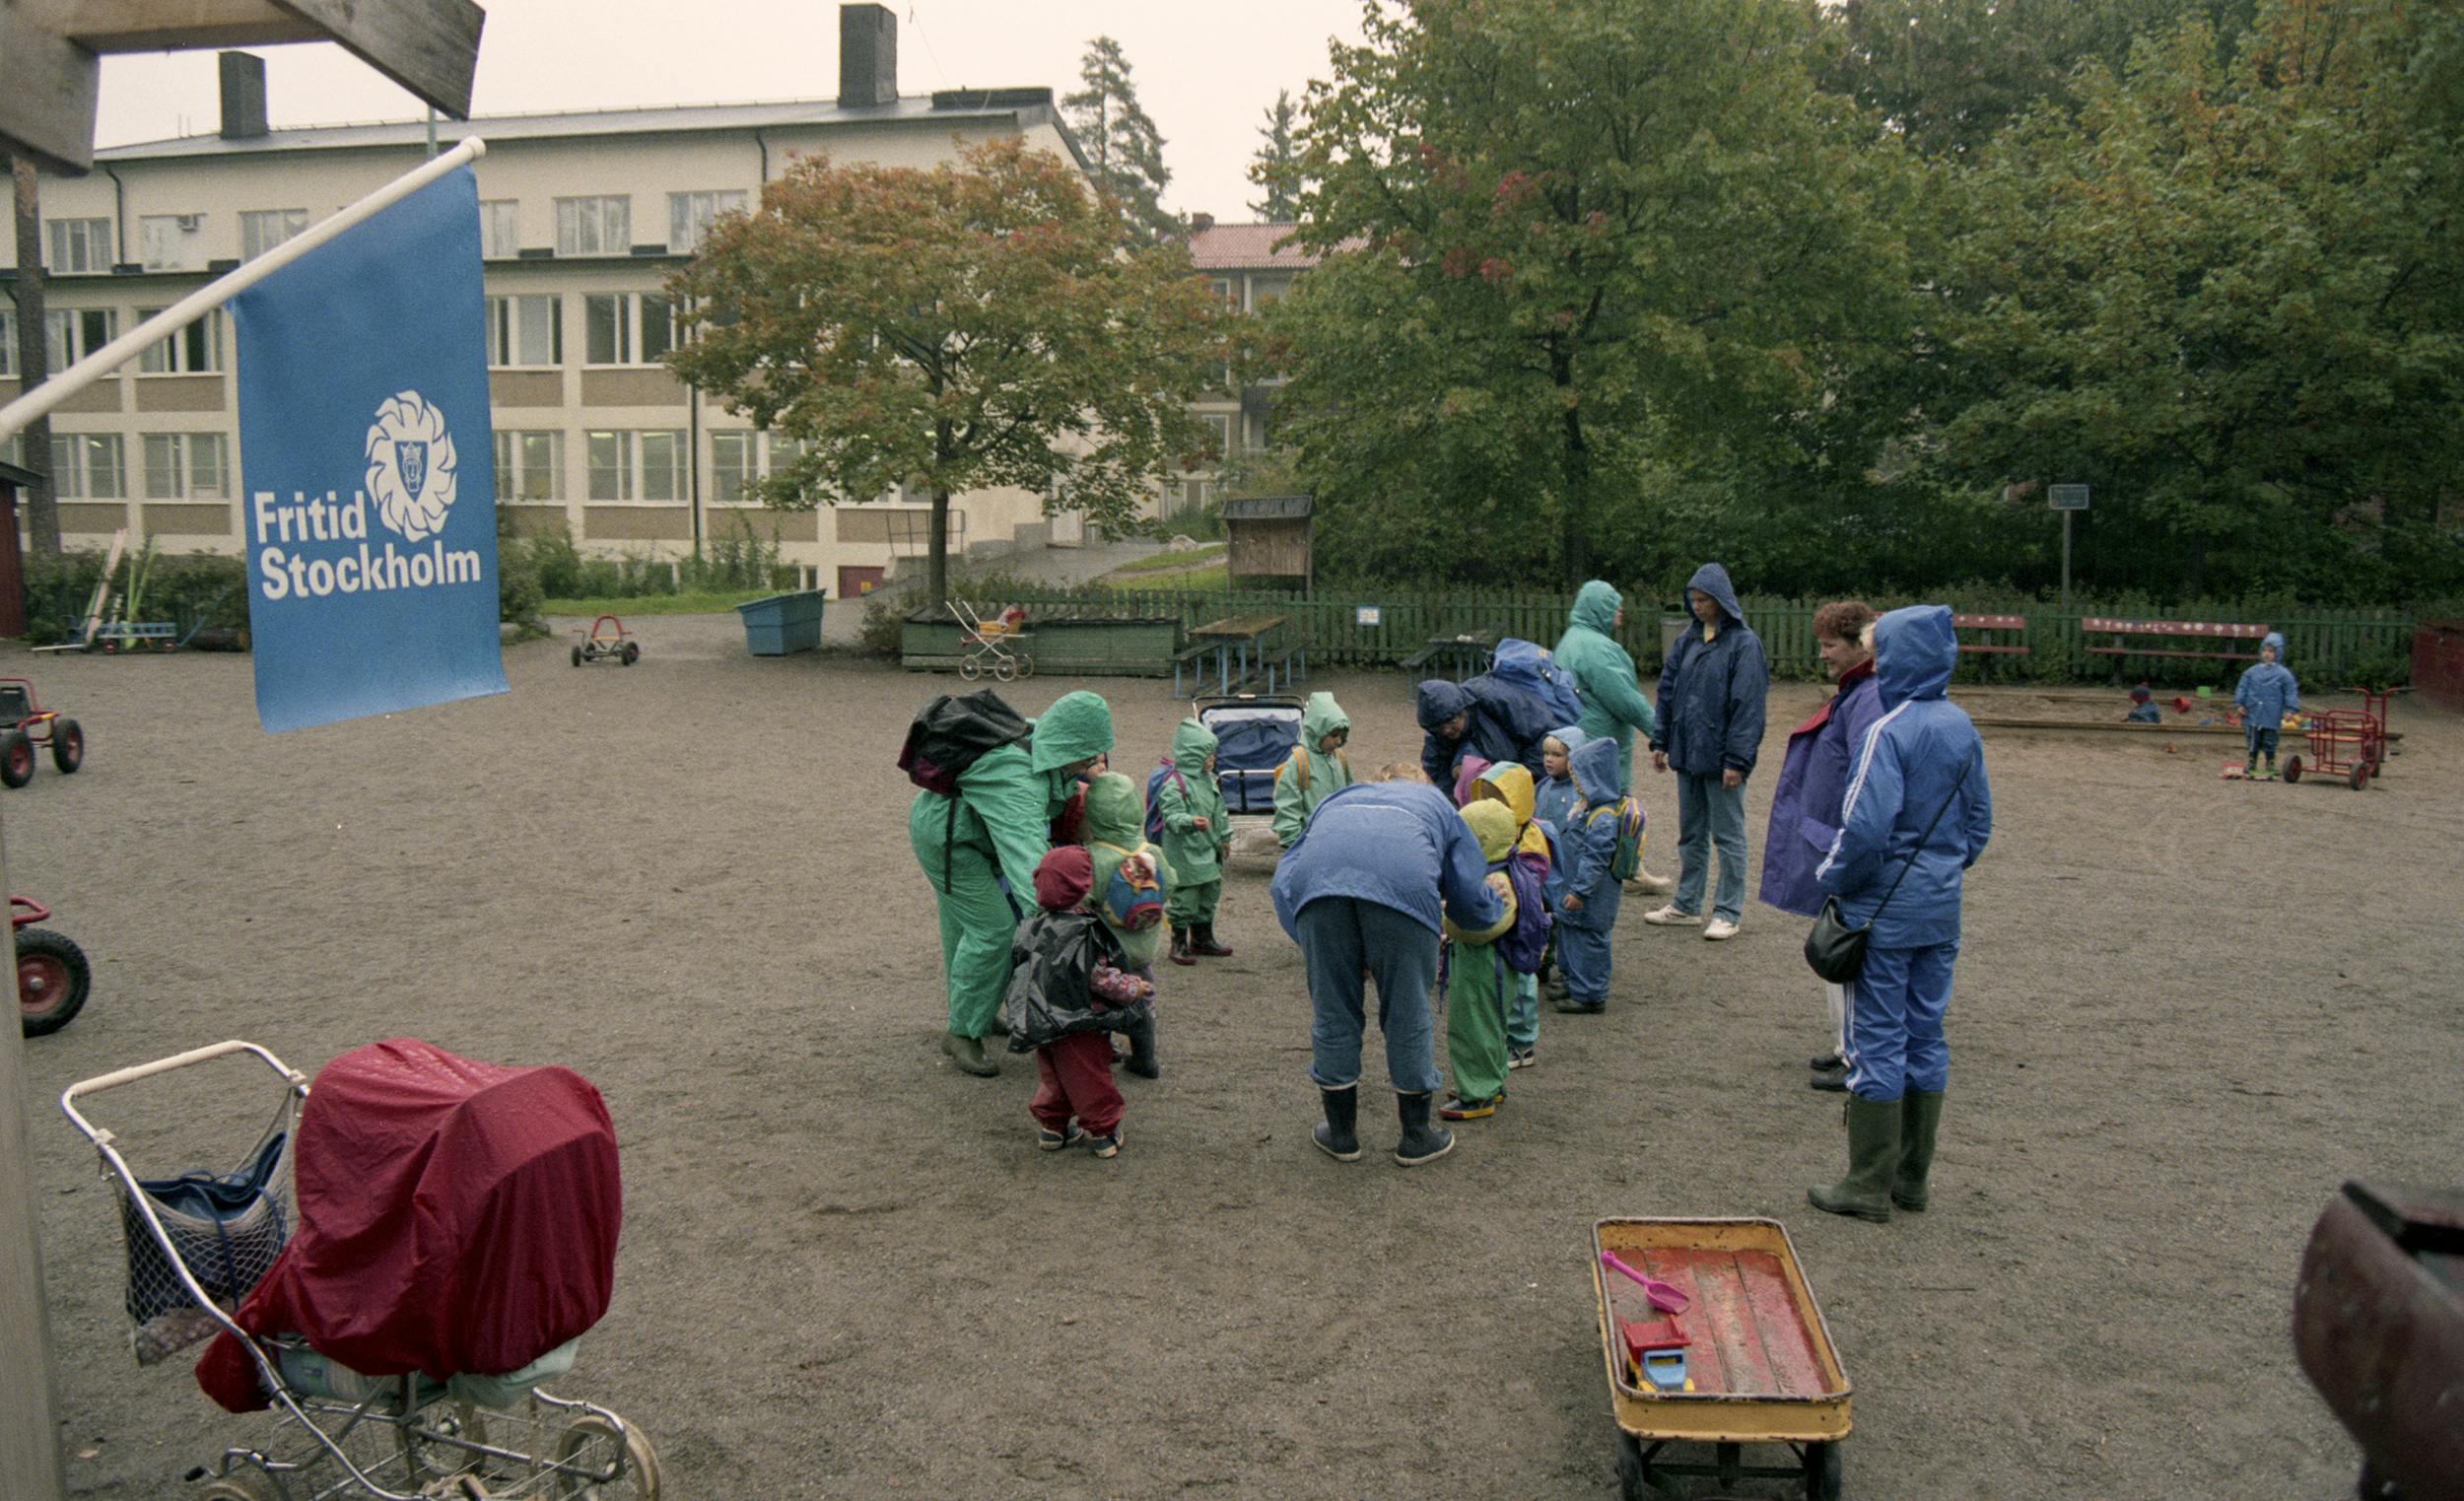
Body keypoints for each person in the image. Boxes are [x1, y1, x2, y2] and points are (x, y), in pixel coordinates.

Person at [1807, 605, 1993, 1224]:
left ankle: (1867, 1184)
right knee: (1925, 1033)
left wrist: (1832, 878)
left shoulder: (1889, 730)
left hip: (1883, 910)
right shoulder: (1962, 726)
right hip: (1940, 909)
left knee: (1875, 1039)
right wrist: (1938, 871)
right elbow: (1978, 826)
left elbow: (1863, 829)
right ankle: (1911, 1182)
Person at [1269, 779, 1506, 1167]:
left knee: (1333, 1011)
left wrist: (1314, 943)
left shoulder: (1337, 797)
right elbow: (1465, 888)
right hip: (1403, 890)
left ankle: (1342, 1135)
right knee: (1407, 1010)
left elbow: (1284, 882)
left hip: (1319, 888)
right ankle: (1416, 1136)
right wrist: (1491, 914)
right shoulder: (1436, 803)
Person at [909, 689, 1114, 1078]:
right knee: (994, 931)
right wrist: (1068, 918)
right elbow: (1030, 867)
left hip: (964, 834)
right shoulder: (1016, 780)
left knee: (966, 927)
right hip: (951, 843)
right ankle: (962, 1032)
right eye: (1087, 754)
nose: (1092, 763)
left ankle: (977, 1012)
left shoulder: (1041, 740)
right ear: (1069, 743)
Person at [1757, 600, 1883, 1092]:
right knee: (1837, 947)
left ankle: (1859, 1055)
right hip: (1832, 838)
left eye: (1831, 645)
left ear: (1860, 646)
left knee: (1844, 949)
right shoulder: (1858, 693)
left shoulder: (1868, 698)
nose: (1823, 655)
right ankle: (1847, 1046)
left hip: (1842, 842)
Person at [1644, 563, 1769, 941]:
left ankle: (1728, 911)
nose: (1697, 606)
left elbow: (1748, 707)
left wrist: (1737, 760)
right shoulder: (1686, 641)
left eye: (1704, 600)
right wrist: (1660, 740)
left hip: (1722, 758)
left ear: (1721, 600)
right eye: (1694, 600)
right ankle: (1686, 905)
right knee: (1691, 833)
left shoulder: (1745, 645)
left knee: (1728, 837)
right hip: (1687, 753)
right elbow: (1666, 693)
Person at [1003, 847, 1151, 1159]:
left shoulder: (1031, 927)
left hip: (1042, 1018)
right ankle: (1104, 1133)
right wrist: (1133, 987)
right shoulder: (1084, 931)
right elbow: (1099, 978)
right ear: (1081, 885)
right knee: (1089, 1077)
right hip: (1080, 1021)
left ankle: (1053, 1128)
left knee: (1054, 1076)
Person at [1551, 580, 1674, 894]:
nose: (1619, 611)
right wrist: (1662, 733)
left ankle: (1627, 869)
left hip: (1578, 735)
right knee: (1613, 803)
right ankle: (1626, 870)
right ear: (1599, 608)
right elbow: (1625, 699)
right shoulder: (1598, 648)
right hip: (1600, 739)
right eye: (1613, 605)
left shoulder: (1570, 640)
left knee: (1588, 804)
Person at [1439, 799, 1523, 1121]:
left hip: (1482, 966)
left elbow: (1482, 928)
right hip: (1489, 967)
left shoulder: (1494, 881)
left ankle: (1478, 1093)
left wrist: (1448, 919)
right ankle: (1492, 1080)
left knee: (1472, 1027)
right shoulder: (1502, 871)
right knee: (1490, 1025)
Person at [1081, 771, 1167, 1079]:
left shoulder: (1092, 856)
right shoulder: (1151, 852)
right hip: (1143, 948)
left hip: (1107, 951)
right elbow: (1171, 882)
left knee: (1102, 1001)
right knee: (1144, 998)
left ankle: (1104, 1052)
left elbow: (1084, 898)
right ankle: (1145, 1058)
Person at [1470, 761, 1551, 1070]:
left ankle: (1521, 1044)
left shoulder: (1530, 835)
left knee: (1521, 982)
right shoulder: (1492, 828)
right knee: (1500, 983)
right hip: (1499, 911)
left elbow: (1534, 874)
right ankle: (1507, 1037)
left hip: (1522, 918)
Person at [1552, 735, 1627, 1013]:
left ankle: (1591, 994)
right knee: (1574, 934)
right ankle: (1575, 984)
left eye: (1579, 777)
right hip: (1577, 890)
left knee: (1591, 940)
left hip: (1590, 894)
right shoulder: (1590, 809)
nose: (1576, 783)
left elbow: (1595, 859)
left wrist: (1580, 891)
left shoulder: (1603, 817)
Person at [1156, 718, 1235, 965]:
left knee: (1209, 893)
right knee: (1185, 897)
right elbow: (1170, 815)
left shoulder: (1207, 779)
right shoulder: (1175, 784)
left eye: (1212, 754)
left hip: (1209, 849)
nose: (1212, 759)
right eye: (1206, 754)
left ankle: (1202, 938)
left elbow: (1220, 811)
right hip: (1185, 852)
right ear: (1192, 756)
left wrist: (1224, 837)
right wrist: (1190, 821)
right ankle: (1178, 942)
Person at [1414, 677, 1553, 787]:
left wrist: (1524, 775)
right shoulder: (1435, 732)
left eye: (1451, 722)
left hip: (1525, 771)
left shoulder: (1495, 698)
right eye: (1439, 727)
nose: (1446, 730)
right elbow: (1438, 776)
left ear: (1463, 709)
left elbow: (1543, 733)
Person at [1272, 691, 1355, 850]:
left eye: (1342, 735)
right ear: (1317, 732)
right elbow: (1287, 803)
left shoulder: (1339, 758)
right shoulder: (1299, 761)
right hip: (1308, 840)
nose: (1339, 741)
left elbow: (1349, 791)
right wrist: (1293, 840)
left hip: (1339, 836)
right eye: (1334, 735)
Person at [2232, 632, 2299, 780]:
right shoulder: (2251, 672)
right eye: (2265, 650)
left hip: (2271, 713)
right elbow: (2242, 687)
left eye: (2271, 651)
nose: (2267, 654)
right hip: (2253, 711)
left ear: (2278, 653)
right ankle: (2252, 762)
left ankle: (2270, 762)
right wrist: (2239, 704)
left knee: (2270, 739)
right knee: (2253, 738)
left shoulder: (2284, 674)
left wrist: (2290, 709)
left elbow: (2290, 691)